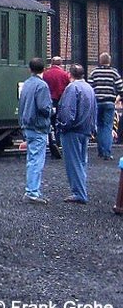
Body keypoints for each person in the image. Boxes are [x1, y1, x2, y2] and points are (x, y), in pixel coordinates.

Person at [58, 64, 97, 204]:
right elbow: (94, 109)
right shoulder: (89, 88)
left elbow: (68, 110)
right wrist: (93, 128)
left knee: (73, 163)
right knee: (81, 161)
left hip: (73, 130)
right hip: (85, 129)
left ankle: (79, 193)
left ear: (70, 74)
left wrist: (62, 125)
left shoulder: (72, 88)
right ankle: (81, 190)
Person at [18, 58, 52, 204]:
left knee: (31, 159)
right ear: (43, 69)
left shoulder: (26, 84)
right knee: (37, 160)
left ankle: (32, 190)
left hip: (27, 126)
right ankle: (32, 192)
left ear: (30, 69)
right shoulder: (42, 86)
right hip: (39, 126)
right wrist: (52, 111)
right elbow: (44, 107)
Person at [87, 53, 122, 160]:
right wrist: (118, 98)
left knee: (99, 126)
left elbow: (89, 88)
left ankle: (100, 150)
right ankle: (106, 152)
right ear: (109, 61)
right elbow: (121, 88)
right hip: (110, 103)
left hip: (97, 103)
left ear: (100, 61)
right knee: (108, 127)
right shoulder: (114, 72)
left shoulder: (94, 72)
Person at [42, 56, 70, 154]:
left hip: (49, 101)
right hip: (61, 102)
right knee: (59, 123)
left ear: (52, 63)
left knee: (50, 122)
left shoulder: (46, 74)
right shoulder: (64, 74)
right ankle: (58, 142)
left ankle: (50, 141)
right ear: (60, 63)